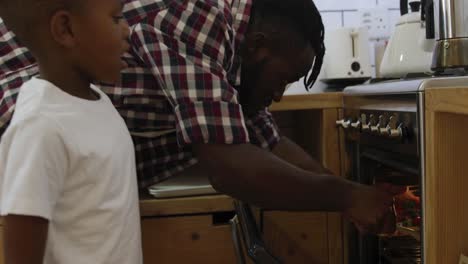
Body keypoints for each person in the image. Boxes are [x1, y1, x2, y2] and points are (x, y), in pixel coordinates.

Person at [0, 0, 392, 232]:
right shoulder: (200, 15)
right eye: (283, 79)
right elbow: (230, 166)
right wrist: (346, 195)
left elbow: (269, 142)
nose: (278, 95)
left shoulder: (230, 67)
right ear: (258, 47)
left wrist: (351, 196)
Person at [0, 0, 142, 263]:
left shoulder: (97, 101)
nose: (127, 30)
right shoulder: (41, 127)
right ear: (65, 29)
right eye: (115, 18)